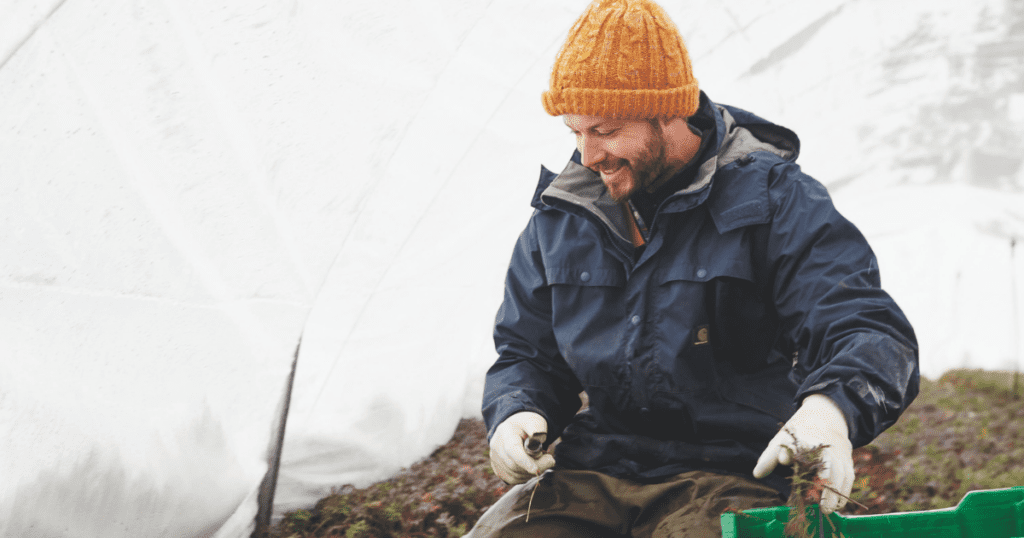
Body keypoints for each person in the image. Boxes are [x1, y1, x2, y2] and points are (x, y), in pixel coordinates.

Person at [470, 0, 919, 536]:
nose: (588, 155)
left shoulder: (775, 200)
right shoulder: (563, 216)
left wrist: (831, 409)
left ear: (669, 111)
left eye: (606, 130)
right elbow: (525, 351)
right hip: (595, 472)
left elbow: (866, 326)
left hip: (733, 474)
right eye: (575, 133)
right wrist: (516, 409)